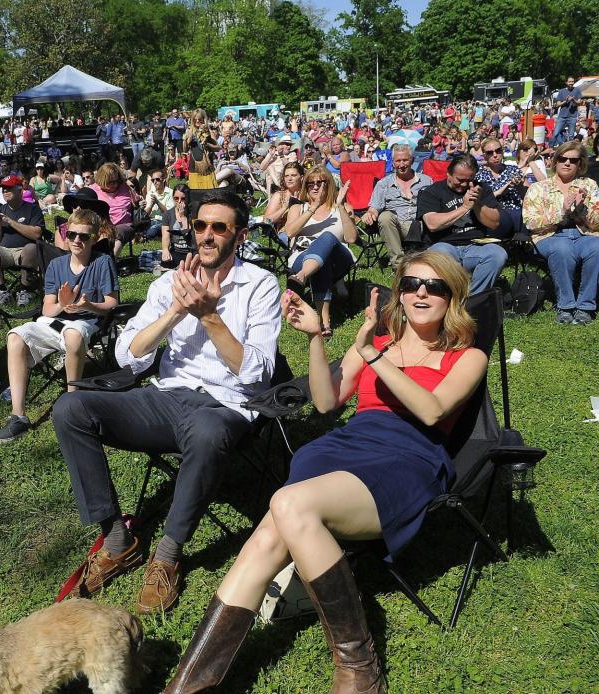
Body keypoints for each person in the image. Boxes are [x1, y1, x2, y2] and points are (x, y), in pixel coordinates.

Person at [164, 251, 487, 694]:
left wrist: (370, 354)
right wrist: (317, 337)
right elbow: (326, 401)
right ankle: (188, 686)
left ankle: (360, 666)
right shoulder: (382, 343)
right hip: (344, 448)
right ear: (400, 293)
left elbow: (431, 412)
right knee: (272, 531)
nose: (421, 294)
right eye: (411, 284)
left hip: (405, 461)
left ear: (453, 297)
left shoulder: (466, 356)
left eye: (435, 286)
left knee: (284, 509)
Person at [52, 192, 283, 615]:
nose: (207, 235)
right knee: (70, 408)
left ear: (240, 235)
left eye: (219, 227)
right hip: (166, 397)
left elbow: (258, 373)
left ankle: (168, 555)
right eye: (200, 226)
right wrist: (176, 311)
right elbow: (128, 354)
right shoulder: (167, 284)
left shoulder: (261, 286)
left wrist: (209, 315)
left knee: (209, 431)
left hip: (225, 405)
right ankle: (116, 538)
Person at [0, 208, 119, 444]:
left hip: (87, 322)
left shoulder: (103, 262)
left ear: (94, 237)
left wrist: (88, 305)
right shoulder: (56, 265)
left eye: (84, 236)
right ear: (66, 234)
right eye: (72, 235)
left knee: (73, 334)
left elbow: (112, 303)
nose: (77, 240)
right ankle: (18, 415)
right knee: (15, 336)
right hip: (54, 321)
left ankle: (72, 405)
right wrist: (63, 303)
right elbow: (47, 309)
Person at [522, 140, 599, 325]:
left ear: (580, 163)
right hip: (550, 236)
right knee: (562, 249)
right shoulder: (538, 188)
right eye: (563, 158)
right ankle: (566, 306)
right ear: (555, 161)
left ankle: (585, 306)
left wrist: (582, 209)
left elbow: (597, 223)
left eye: (573, 160)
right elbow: (530, 222)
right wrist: (562, 212)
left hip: (585, 234)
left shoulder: (589, 185)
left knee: (597, 248)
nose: (567, 163)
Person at [416, 153, 506, 295]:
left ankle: (473, 299)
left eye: (469, 180)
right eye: (460, 179)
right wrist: (464, 208)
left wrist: (477, 204)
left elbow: (494, 223)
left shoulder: (481, 189)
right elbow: (432, 224)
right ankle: (453, 297)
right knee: (442, 253)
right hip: (443, 244)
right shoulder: (432, 191)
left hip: (475, 245)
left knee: (498, 254)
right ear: (449, 174)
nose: (464, 184)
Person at [284, 167, 357, 338]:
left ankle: (301, 277)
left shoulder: (342, 207)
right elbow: (290, 232)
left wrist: (339, 206)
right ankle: (325, 323)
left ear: (329, 184)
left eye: (320, 182)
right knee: (319, 262)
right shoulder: (298, 208)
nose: (315, 187)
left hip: (339, 259)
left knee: (327, 237)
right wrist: (313, 207)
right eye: (310, 183)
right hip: (302, 257)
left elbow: (352, 239)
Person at [0, 174, 46, 307]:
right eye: (3, 189)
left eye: (9, 188)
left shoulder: (33, 208)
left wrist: (9, 221)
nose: (5, 192)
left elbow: (37, 234)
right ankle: (2, 291)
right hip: (5, 252)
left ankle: (25, 290)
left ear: (20, 190)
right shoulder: (0, 210)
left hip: (25, 253)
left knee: (31, 248)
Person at [363, 144, 434, 267]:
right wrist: (370, 213)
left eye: (405, 160)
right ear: (393, 162)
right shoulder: (383, 184)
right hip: (395, 227)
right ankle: (398, 264)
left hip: (420, 226)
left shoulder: (426, 181)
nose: (402, 165)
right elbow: (374, 207)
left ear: (411, 160)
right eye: (398, 161)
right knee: (384, 216)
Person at [475, 137, 525, 238]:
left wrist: (519, 186)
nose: (495, 155)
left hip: (515, 210)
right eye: (490, 153)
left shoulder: (513, 170)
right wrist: (503, 189)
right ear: (484, 156)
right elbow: (481, 199)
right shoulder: (478, 174)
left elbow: (527, 195)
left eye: (498, 151)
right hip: (493, 212)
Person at [89, 162, 137, 257]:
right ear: (102, 180)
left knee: (117, 233)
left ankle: (109, 263)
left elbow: (137, 201)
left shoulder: (125, 187)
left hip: (123, 225)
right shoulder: (93, 190)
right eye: (110, 182)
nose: (114, 184)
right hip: (101, 225)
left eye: (116, 181)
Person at [159, 184, 195, 268]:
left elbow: (189, 236)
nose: (179, 201)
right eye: (176, 198)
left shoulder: (193, 213)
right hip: (176, 250)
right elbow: (165, 235)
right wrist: (165, 250)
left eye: (183, 198)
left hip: (191, 251)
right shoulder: (168, 214)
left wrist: (183, 217)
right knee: (165, 263)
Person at [262, 161, 304, 231]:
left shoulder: (307, 195)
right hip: (285, 233)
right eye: (286, 176)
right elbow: (266, 221)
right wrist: (284, 208)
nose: (289, 179)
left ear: (301, 178)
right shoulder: (279, 196)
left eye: (293, 175)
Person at [142, 168, 173, 240]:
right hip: (151, 221)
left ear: (163, 179)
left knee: (153, 229)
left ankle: (145, 237)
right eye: (153, 180)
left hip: (163, 221)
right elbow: (145, 214)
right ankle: (146, 236)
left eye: (157, 179)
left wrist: (157, 202)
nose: (155, 182)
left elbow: (169, 213)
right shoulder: (150, 194)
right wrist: (151, 205)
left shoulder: (170, 193)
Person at [552, 77, 582, 146]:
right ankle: (562, 145)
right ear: (566, 82)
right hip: (562, 116)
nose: (571, 83)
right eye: (570, 82)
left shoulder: (577, 90)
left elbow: (579, 102)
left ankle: (570, 148)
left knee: (571, 135)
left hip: (572, 116)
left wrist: (573, 99)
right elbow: (557, 104)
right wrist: (566, 101)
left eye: (572, 81)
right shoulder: (562, 91)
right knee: (556, 133)